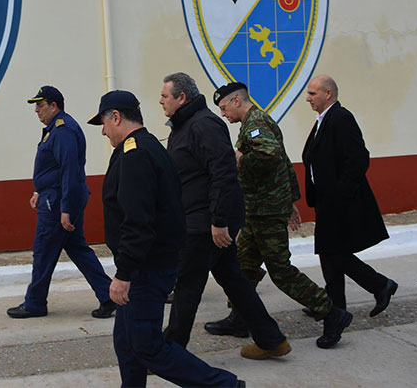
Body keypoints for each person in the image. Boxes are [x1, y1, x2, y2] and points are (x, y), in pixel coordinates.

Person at [88, 89, 244, 387]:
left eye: (104, 124)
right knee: (126, 341)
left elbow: (138, 221)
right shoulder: (145, 146)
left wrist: (124, 273)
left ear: (116, 117)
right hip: (147, 263)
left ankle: (225, 385)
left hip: (146, 268)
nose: (104, 132)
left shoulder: (136, 154)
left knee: (147, 346)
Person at [207, 82, 352, 349]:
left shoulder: (255, 122)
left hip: (267, 210)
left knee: (281, 271)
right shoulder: (254, 122)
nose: (223, 114)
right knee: (244, 265)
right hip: (257, 209)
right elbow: (284, 160)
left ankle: (331, 313)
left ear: (237, 101)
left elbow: (270, 154)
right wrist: (292, 198)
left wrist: (239, 160)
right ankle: (240, 318)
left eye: (224, 107)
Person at [159, 72, 291, 360]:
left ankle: (169, 354)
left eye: (165, 96)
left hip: (205, 224)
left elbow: (224, 174)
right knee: (235, 282)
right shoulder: (186, 126)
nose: (160, 101)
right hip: (200, 220)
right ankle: (272, 340)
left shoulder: (204, 125)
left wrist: (218, 221)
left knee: (187, 288)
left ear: (182, 97)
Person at [7, 86, 116, 319]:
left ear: (54, 106)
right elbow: (54, 169)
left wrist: (65, 209)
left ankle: (35, 303)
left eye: (40, 105)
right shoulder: (56, 129)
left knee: (43, 251)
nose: (36, 110)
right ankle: (108, 296)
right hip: (54, 197)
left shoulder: (63, 130)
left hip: (57, 203)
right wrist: (39, 190)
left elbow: (69, 171)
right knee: (77, 249)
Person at [302, 75, 397, 317]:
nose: (308, 98)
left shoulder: (341, 118)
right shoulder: (324, 120)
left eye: (312, 93)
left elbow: (358, 159)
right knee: (328, 253)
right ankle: (335, 308)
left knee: (333, 253)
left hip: (337, 202)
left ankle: (380, 285)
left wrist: (339, 195)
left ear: (328, 94)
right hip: (325, 200)